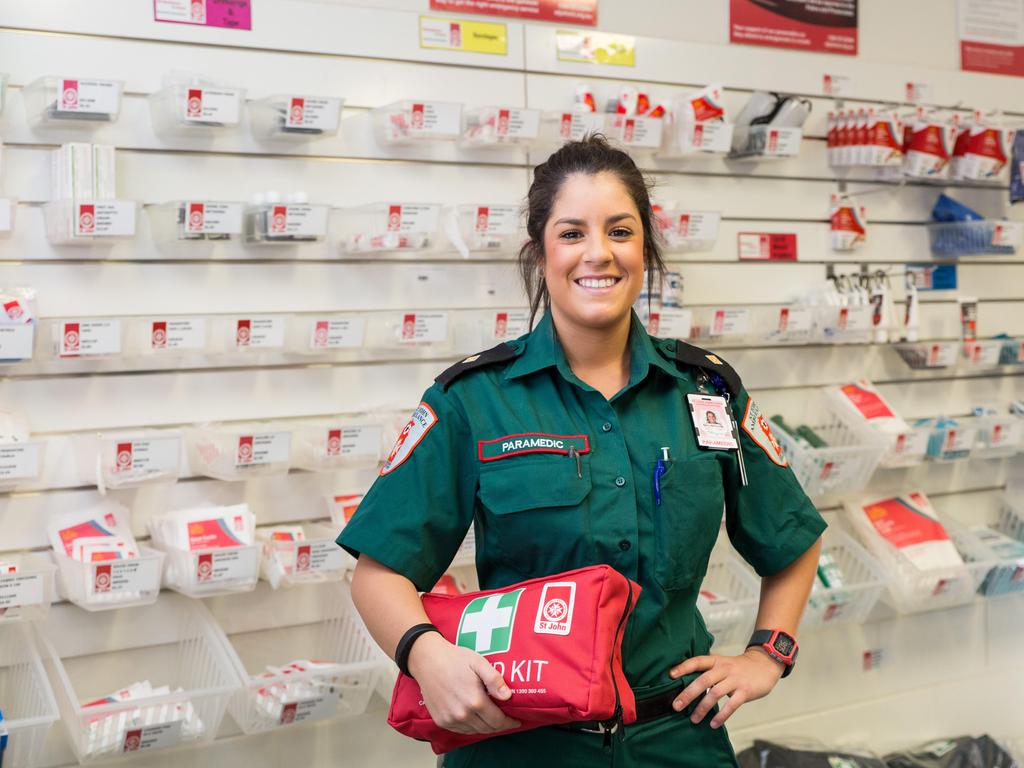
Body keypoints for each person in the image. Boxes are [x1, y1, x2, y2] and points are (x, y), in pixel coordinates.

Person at [338, 135, 826, 767]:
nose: (599, 253)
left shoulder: (707, 391)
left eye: (620, 231)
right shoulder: (474, 400)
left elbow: (792, 536)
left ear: (644, 249)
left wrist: (769, 653)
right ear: (540, 253)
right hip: (519, 741)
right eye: (572, 233)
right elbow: (379, 573)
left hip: (677, 740)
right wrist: (425, 654)